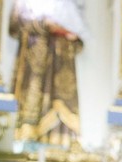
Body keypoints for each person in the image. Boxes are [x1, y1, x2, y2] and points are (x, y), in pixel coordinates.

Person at [10, 0, 86, 147]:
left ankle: (60, 145)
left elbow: (80, 36)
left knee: (63, 110)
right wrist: (46, 24)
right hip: (36, 60)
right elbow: (15, 25)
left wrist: (72, 34)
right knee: (32, 106)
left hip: (62, 62)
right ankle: (27, 140)